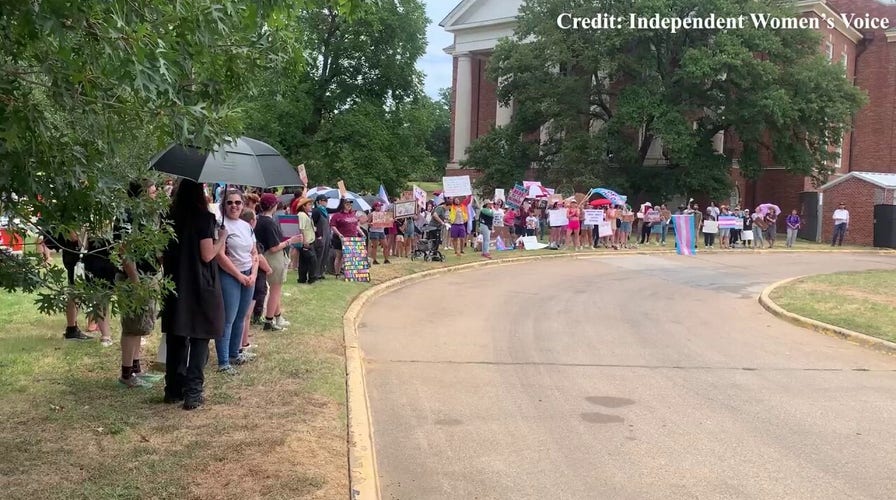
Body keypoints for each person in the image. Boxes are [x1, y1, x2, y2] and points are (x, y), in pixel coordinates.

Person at [161, 179, 226, 410]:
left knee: (177, 334)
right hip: (199, 283)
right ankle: (193, 392)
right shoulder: (204, 218)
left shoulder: (168, 217)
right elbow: (208, 255)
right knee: (200, 334)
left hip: (175, 281)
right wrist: (222, 238)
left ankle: (173, 389)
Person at [117, 180, 161, 388]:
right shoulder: (127, 216)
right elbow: (124, 251)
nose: (156, 194)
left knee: (141, 325)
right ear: (141, 194)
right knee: (132, 326)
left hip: (149, 276)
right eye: (153, 191)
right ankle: (126, 375)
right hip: (133, 279)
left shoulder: (150, 215)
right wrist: (135, 281)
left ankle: (136, 369)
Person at [215, 189, 260, 375]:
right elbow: (219, 255)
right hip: (230, 276)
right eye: (229, 202)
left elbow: (254, 252)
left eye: (238, 202)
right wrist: (239, 276)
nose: (234, 206)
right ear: (223, 205)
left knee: (241, 316)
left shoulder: (246, 226)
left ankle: (235, 354)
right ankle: (224, 361)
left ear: (243, 205)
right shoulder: (220, 226)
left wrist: (253, 274)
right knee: (228, 319)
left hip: (248, 275)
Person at [254, 193, 301, 330]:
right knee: (275, 290)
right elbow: (274, 247)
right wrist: (290, 241)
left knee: (274, 289)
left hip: (263, 255)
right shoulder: (269, 223)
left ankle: (278, 316)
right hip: (273, 257)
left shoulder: (258, 219)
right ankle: (269, 321)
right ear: (273, 206)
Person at [330, 199, 364, 276]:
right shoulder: (337, 215)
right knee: (339, 256)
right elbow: (333, 226)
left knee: (352, 256)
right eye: (347, 204)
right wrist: (339, 234)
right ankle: (337, 273)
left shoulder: (353, 214)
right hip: (340, 239)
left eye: (350, 204)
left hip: (352, 238)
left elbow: (356, 225)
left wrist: (361, 232)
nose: (349, 205)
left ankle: (351, 274)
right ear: (342, 205)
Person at [296, 197, 319, 282]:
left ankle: (302, 278)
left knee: (304, 261)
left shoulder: (306, 215)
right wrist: (304, 240)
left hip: (309, 240)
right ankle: (312, 278)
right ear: (303, 206)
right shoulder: (302, 215)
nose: (311, 206)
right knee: (312, 260)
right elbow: (301, 228)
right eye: (309, 204)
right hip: (306, 241)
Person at [312, 195, 333, 279]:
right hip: (320, 235)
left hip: (327, 235)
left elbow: (338, 209)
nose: (326, 202)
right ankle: (315, 273)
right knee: (319, 254)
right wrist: (317, 235)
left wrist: (342, 198)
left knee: (325, 254)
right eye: (324, 200)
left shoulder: (325, 211)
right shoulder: (316, 211)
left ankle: (321, 272)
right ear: (319, 201)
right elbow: (313, 224)